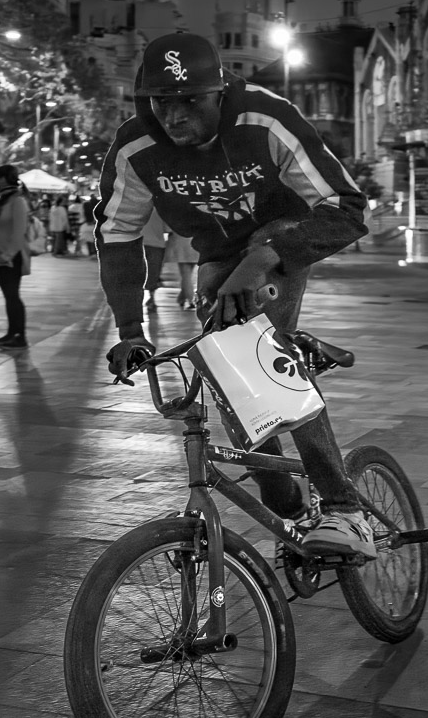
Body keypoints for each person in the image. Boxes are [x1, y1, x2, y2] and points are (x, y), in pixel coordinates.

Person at [96, 31, 374, 559]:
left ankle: (345, 509)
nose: (174, 117)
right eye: (161, 103)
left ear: (220, 93)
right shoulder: (135, 148)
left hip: (283, 234)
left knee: (263, 353)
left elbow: (347, 208)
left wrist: (265, 258)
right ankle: (285, 502)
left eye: (189, 102)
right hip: (218, 252)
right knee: (225, 369)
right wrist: (130, 330)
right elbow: (117, 235)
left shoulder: (266, 119)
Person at [0, 164, 31, 349]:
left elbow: (19, 232)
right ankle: (12, 333)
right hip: (0, 255)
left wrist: (8, 255)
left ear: (3, 179)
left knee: (12, 296)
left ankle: (19, 336)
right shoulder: (4, 200)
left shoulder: (17, 200)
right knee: (9, 296)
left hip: (11, 257)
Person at [163, 228, 199, 310]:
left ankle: (191, 300)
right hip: (195, 245)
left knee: (186, 275)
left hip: (181, 246)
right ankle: (182, 298)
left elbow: (167, 229)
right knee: (187, 274)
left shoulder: (176, 217)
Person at [142, 210, 167, 313]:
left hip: (136, 243)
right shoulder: (162, 211)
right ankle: (152, 298)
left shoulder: (135, 208)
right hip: (156, 245)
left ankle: (135, 299)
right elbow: (168, 229)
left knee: (137, 271)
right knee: (153, 272)